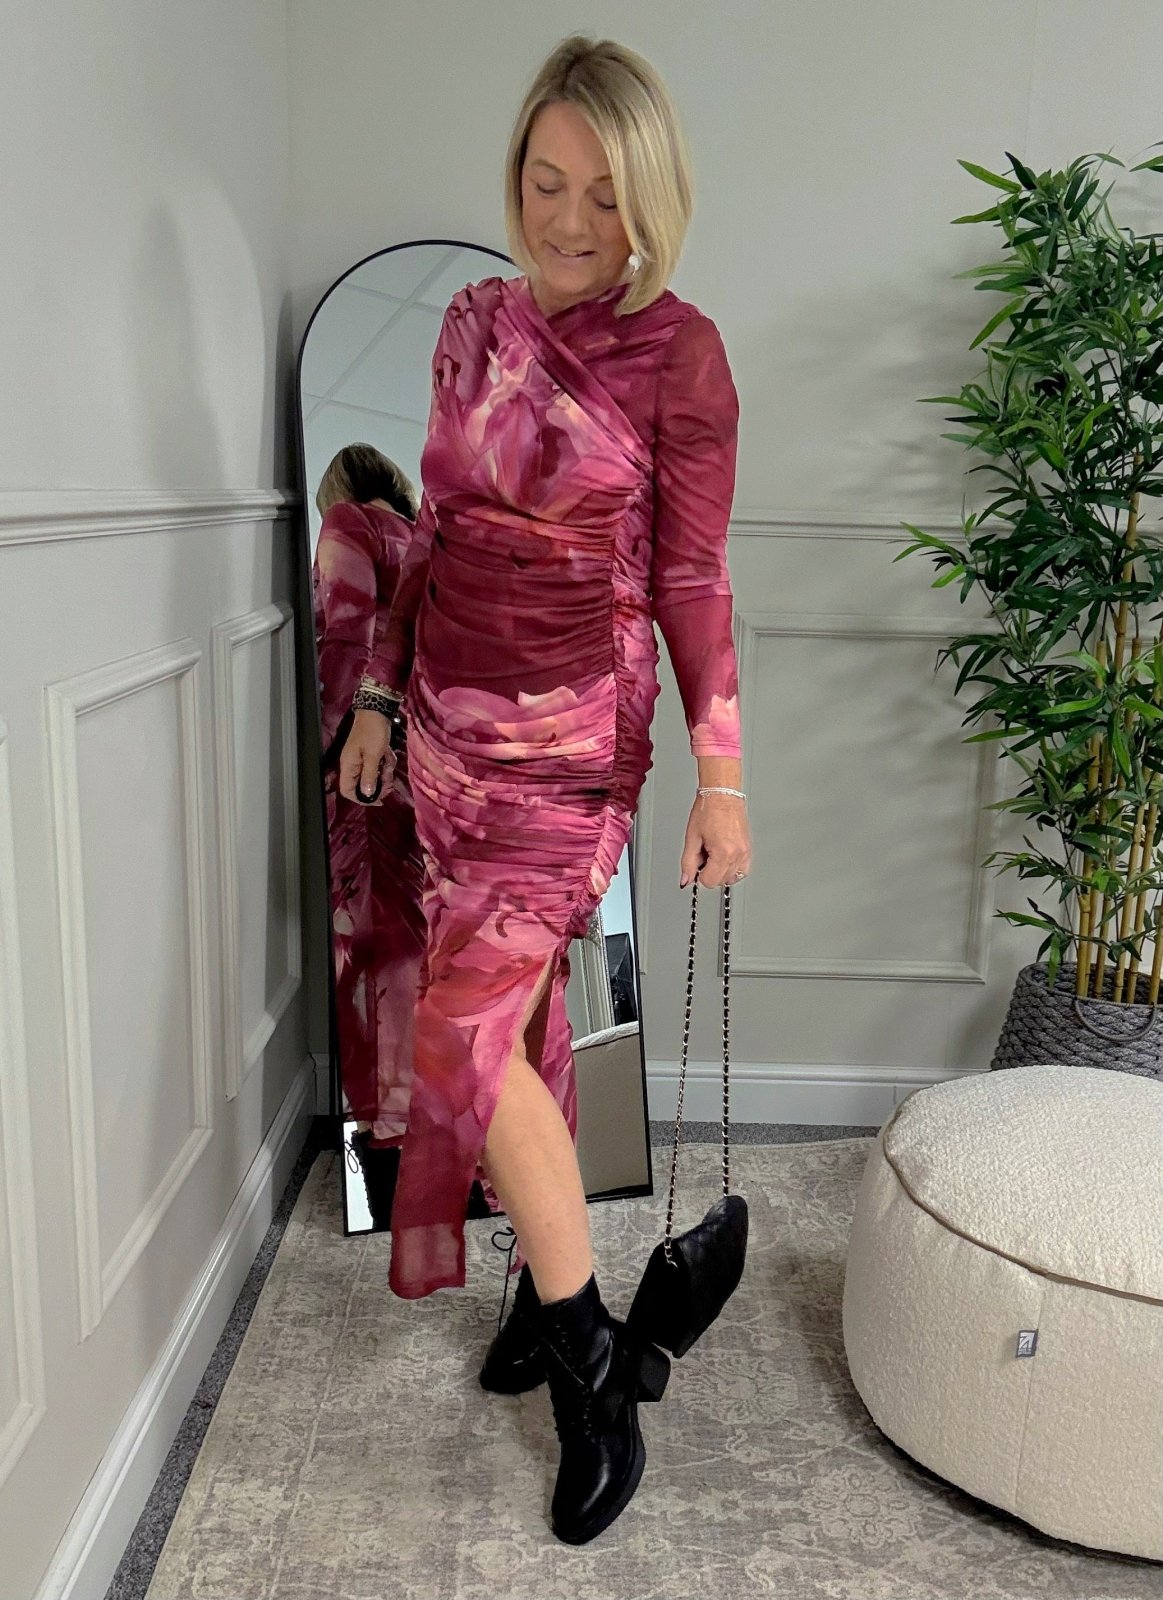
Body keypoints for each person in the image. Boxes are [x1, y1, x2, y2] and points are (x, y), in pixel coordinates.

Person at [339, 33, 751, 1544]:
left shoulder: (679, 355)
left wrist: (721, 776)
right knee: (511, 1030)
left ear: (651, 196)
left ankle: (591, 1367)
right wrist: (379, 691)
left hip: (571, 749)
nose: (569, 219)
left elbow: (692, 580)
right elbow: (431, 534)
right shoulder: (470, 321)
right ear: (514, 174)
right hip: (445, 741)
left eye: (603, 191)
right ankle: (534, 1291)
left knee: (457, 1035)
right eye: (544, 180)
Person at [312, 447, 427, 1224]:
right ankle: (458, 1155)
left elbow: (345, 643)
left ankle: (391, 1160)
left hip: (368, 762)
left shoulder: (348, 524)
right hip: (433, 769)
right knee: (423, 952)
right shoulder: (424, 540)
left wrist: (317, 748)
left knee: (375, 959)